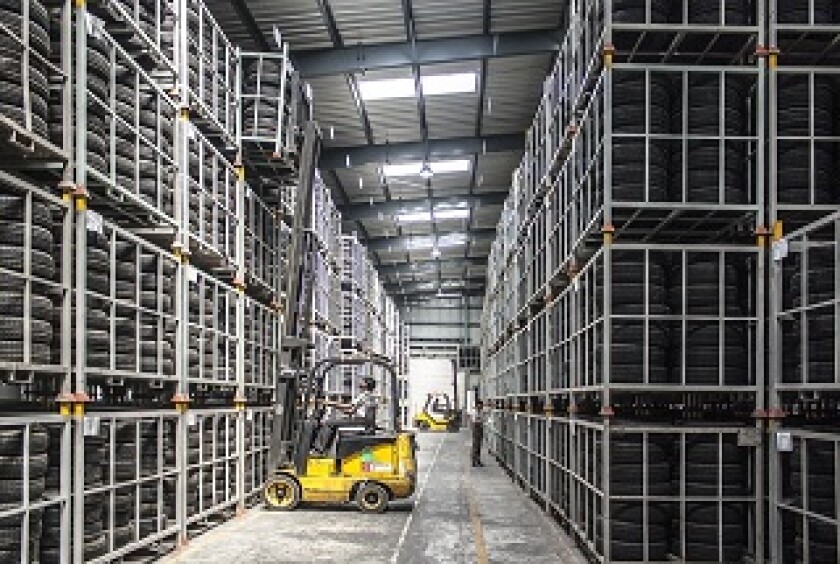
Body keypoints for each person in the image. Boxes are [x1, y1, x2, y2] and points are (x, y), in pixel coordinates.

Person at [472, 400, 487, 467]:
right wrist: (480, 421)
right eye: (479, 405)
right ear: (477, 405)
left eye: (481, 405)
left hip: (480, 429)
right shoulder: (474, 412)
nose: (481, 406)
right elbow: (475, 421)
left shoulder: (481, 412)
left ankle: (478, 460)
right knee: (475, 445)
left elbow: (483, 419)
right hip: (476, 429)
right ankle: (474, 461)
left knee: (479, 446)